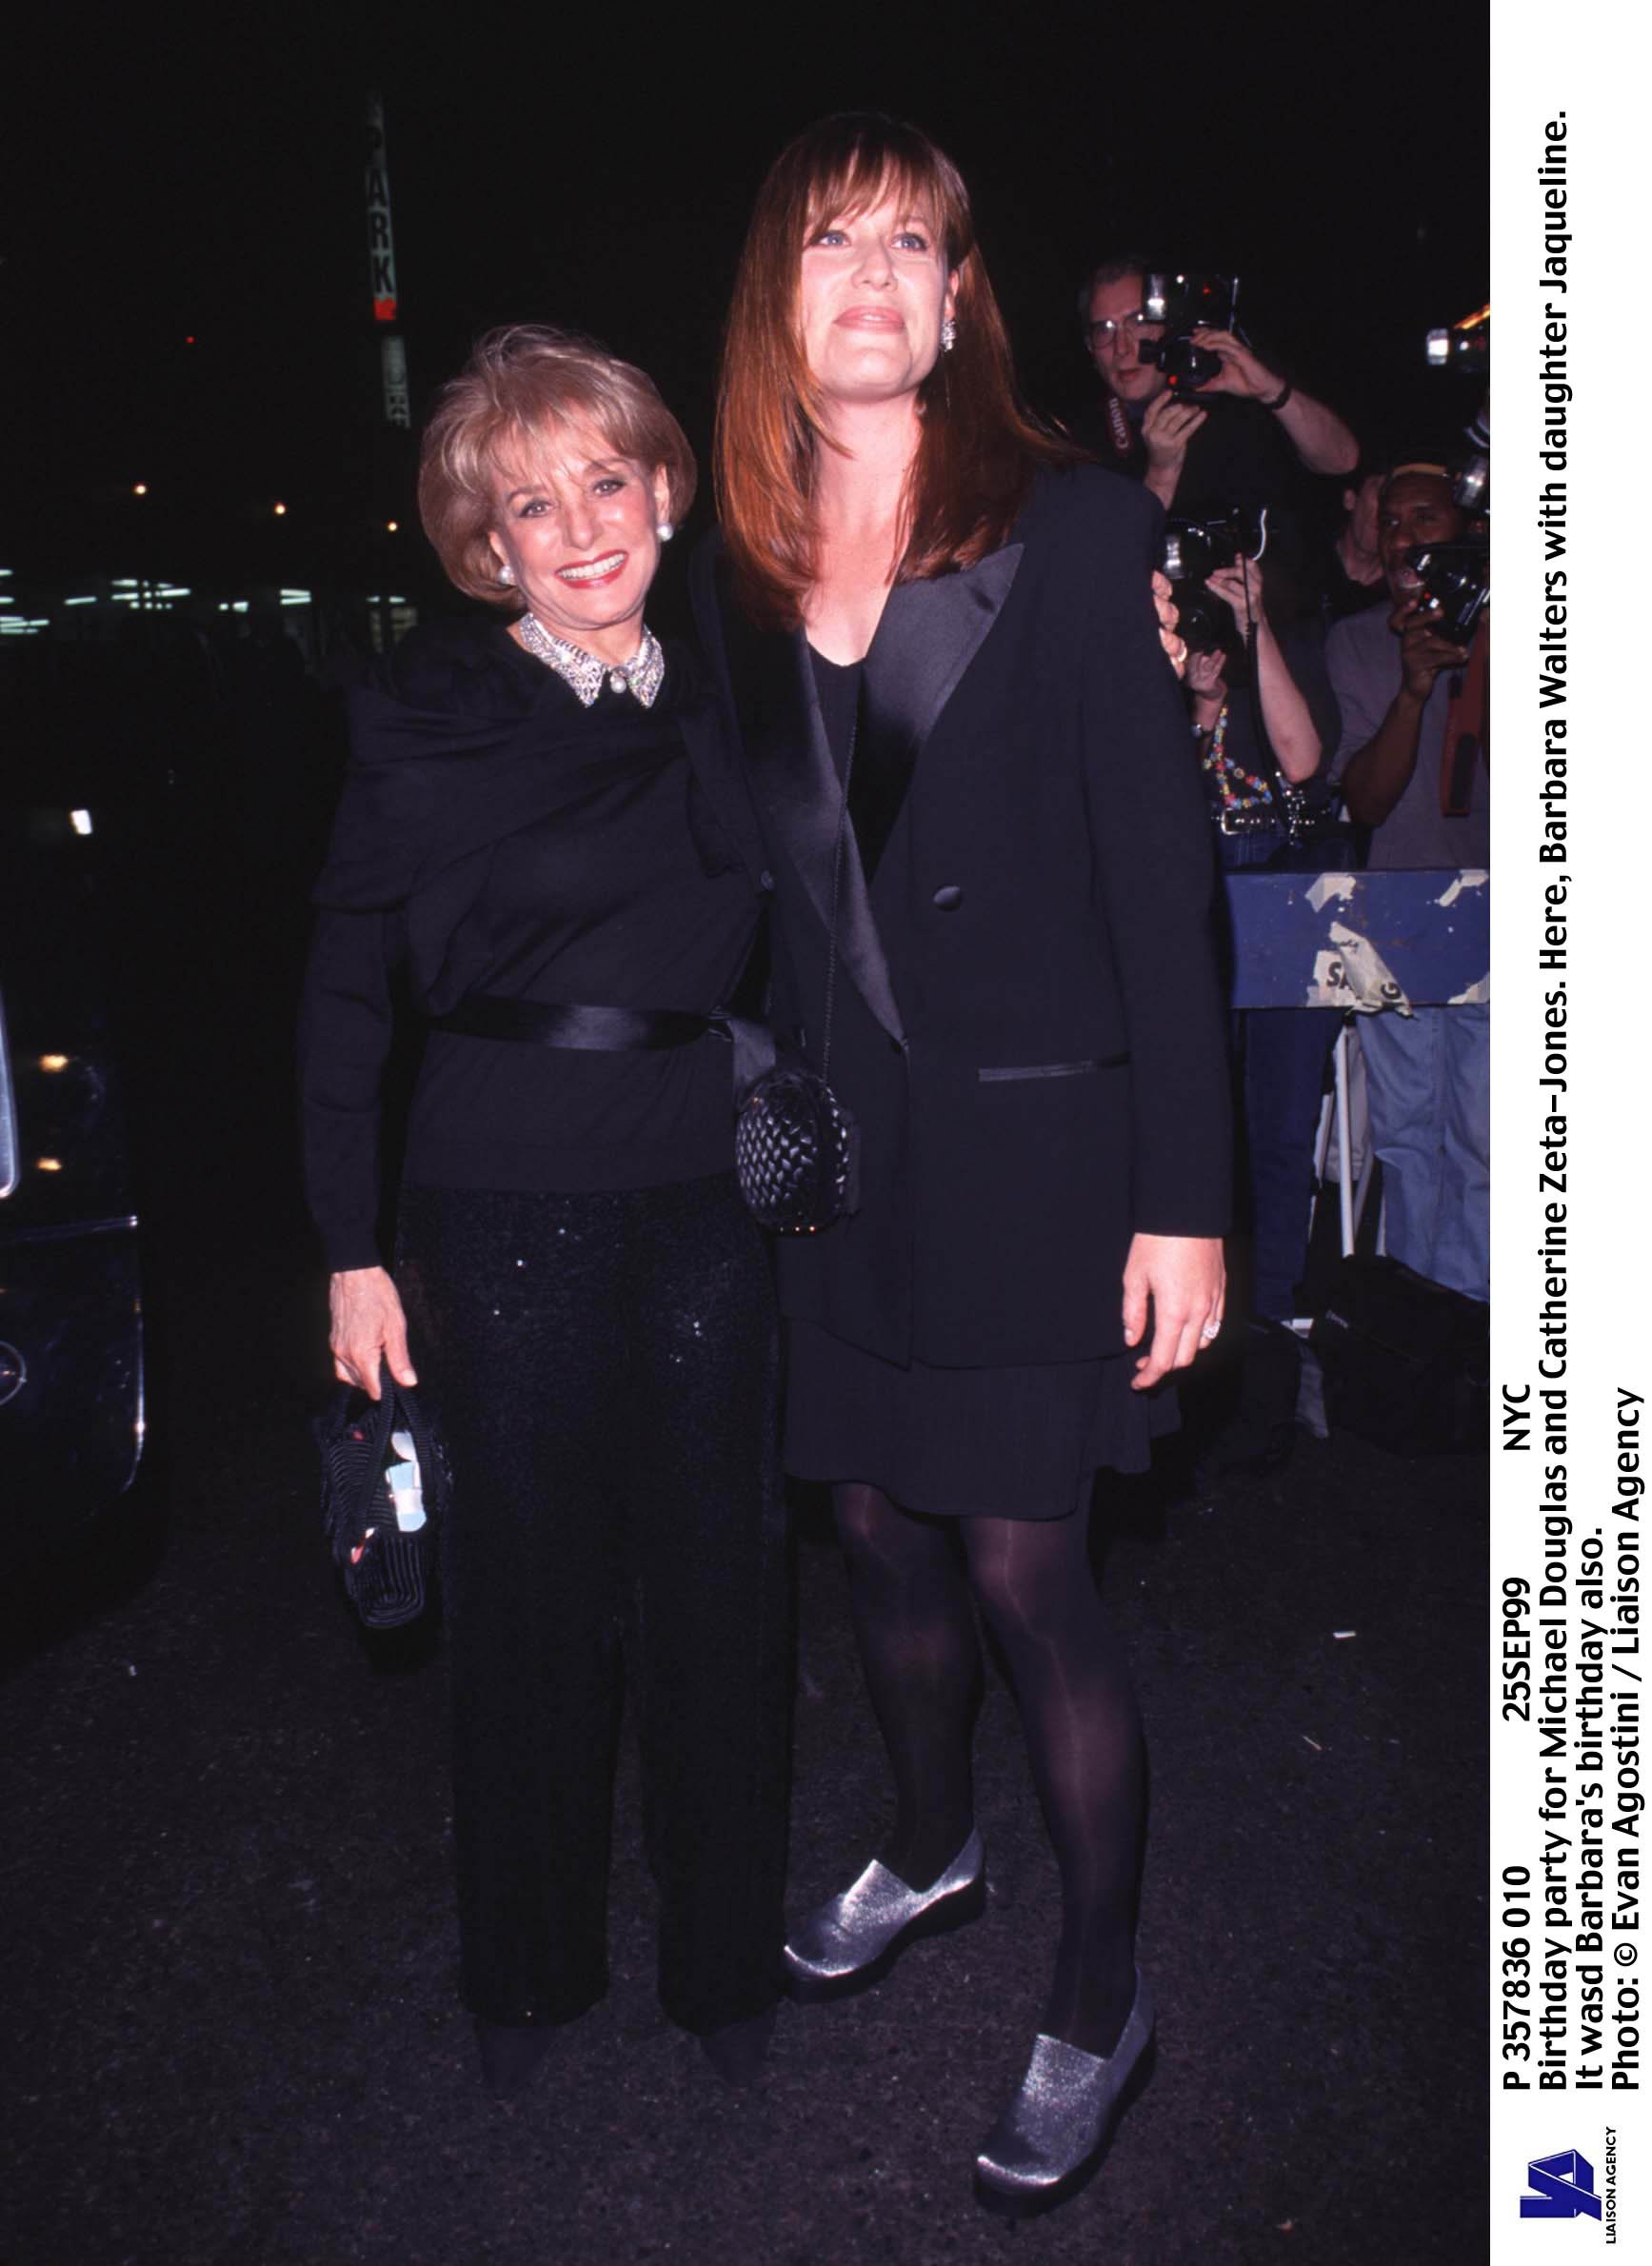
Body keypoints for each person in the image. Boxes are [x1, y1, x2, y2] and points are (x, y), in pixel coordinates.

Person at [693, 114, 1230, 2216]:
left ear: (955, 300)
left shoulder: (1072, 531)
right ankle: (931, 1839)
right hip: (830, 1157)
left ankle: (1100, 1993)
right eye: (836, 238)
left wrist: (1185, 1195)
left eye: (915, 243)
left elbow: (1156, 879)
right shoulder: (725, 568)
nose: (877, 273)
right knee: (872, 1527)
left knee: (1022, 1562)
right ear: (781, 291)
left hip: (1035, 1151)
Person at [298, 327, 789, 2097]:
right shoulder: (434, 715)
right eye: (530, 505)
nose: (579, 529)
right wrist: (352, 1251)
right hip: (505, 1200)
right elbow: (350, 990)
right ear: (486, 545)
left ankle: (726, 1960)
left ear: (663, 491)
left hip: (705, 1194)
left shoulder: (735, 682)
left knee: (724, 1586)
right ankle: (528, 1968)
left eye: (606, 482)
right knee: (531, 1605)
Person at [1183, 558, 1340, 1466]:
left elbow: (1303, 764)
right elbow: (1174, 806)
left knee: (1280, 1130)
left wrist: (1256, 633)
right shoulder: (1149, 653)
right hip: (1196, 916)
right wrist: (1200, 708)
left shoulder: (1295, 648)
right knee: (1204, 1123)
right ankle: (1198, 1328)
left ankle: (1276, 1322)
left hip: (1288, 913)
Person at [1325, 462, 1488, 1301]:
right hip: (1393, 909)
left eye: (1422, 517)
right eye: (1388, 522)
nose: (1401, 537)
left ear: (1469, 528)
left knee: (1490, 1139)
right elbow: (1363, 800)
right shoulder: (1358, 641)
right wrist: (1414, 688)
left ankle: (1479, 1329)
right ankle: (1418, 1331)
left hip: (1502, 907)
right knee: (1404, 1135)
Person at [1075, 253, 1359, 619]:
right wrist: (1160, 474)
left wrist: (1270, 391)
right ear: (1090, 349)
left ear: (1170, 322)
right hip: (1165, 643)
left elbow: (1343, 460)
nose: (1122, 349)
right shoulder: (1078, 445)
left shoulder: (1231, 385)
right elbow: (1104, 574)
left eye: (1138, 322)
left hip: (1275, 633)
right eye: (1105, 331)